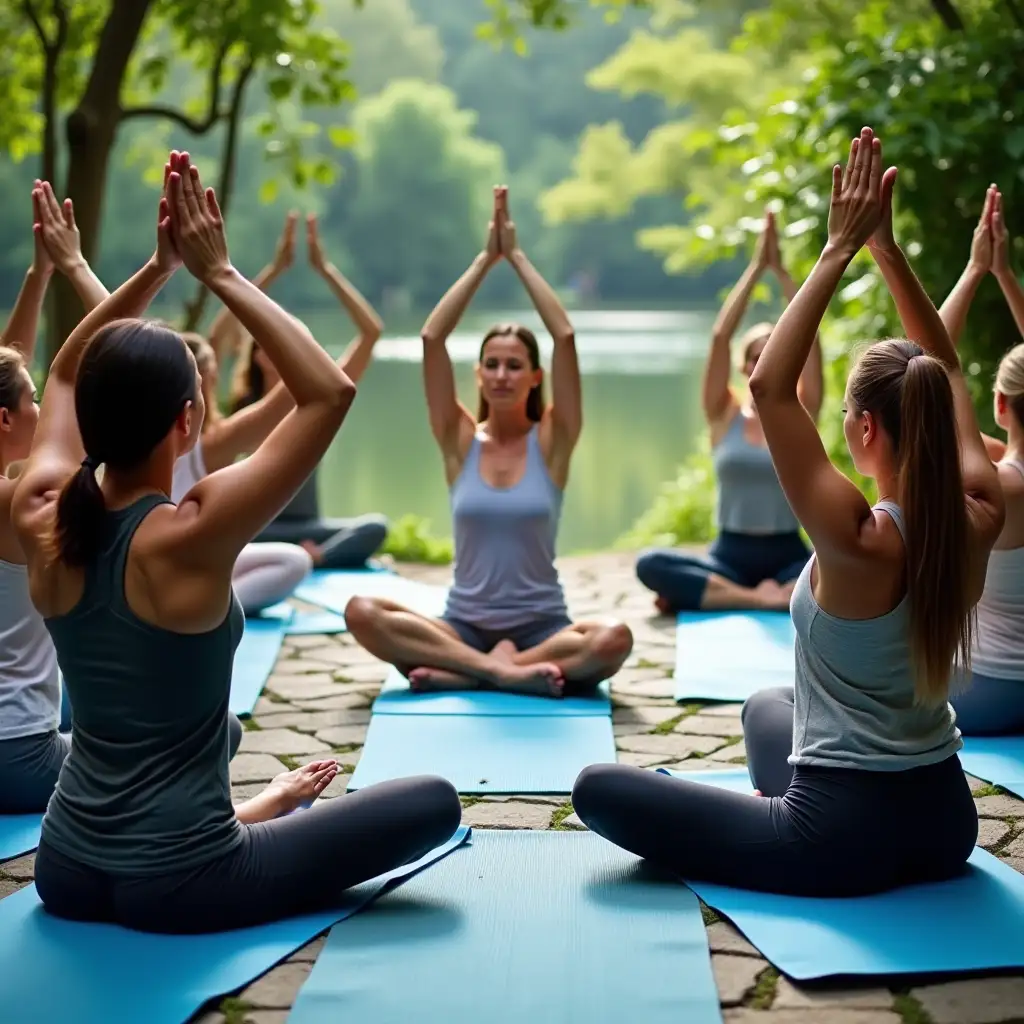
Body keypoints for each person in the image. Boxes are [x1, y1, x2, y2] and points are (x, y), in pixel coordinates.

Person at [12, 151, 460, 934]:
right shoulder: (191, 530)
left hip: (67, 868)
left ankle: (264, 810)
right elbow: (329, 390)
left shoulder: (45, 517)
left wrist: (151, 272)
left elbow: (59, 376)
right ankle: (262, 820)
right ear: (187, 421)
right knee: (432, 803)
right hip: (188, 880)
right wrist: (216, 273)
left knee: (222, 734)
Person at [572, 128, 1005, 897]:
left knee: (597, 789)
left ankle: (767, 820)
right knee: (767, 706)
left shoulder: (856, 536)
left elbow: (770, 388)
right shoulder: (979, 514)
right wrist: (889, 253)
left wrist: (841, 247)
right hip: (946, 822)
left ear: (866, 429)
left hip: (836, 837)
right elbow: (948, 373)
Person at [344, 186, 633, 698]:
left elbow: (565, 337)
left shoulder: (552, 441)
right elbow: (432, 339)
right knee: (361, 612)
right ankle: (498, 671)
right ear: (478, 375)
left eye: (514, 365)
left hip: (544, 630)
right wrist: (483, 261)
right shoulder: (459, 441)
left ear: (533, 377)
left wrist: (517, 258)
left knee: (613, 638)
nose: (502, 374)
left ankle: (474, 671)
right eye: (493, 365)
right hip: (464, 626)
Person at [635, 212, 823, 614]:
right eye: (757, 357)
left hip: (790, 553)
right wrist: (757, 270)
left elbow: (812, 340)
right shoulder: (724, 414)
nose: (766, 365)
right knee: (649, 564)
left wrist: (786, 277)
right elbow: (720, 337)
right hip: (730, 557)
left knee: (843, 566)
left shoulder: (799, 412)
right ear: (744, 367)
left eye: (776, 356)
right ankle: (760, 598)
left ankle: (721, 596)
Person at [0, 182, 117, 813]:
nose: (42, 411)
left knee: (79, 684)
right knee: (213, 732)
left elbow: (5, 369)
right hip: (16, 759)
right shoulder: (19, 499)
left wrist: (38, 277)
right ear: (4, 421)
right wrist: (74, 267)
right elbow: (120, 353)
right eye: (32, 404)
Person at [227, 213, 389, 569]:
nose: (284, 352)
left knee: (375, 527)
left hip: (308, 530)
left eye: (292, 344)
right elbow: (216, 336)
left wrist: (326, 270)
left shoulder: (320, 401)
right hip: (259, 528)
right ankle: (304, 558)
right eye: (272, 344)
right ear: (254, 354)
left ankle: (313, 559)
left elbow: (370, 332)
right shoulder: (244, 408)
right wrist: (272, 271)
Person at [937, 184, 1024, 734]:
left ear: (999, 403)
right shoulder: (995, 472)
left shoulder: (997, 486)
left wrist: (976, 271)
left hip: (995, 693)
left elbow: (933, 362)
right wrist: (1008, 277)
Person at [173, 333, 313, 615]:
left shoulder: (145, 433)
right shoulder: (213, 443)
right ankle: (200, 610)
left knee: (295, 560)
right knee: (295, 563)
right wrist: (296, 335)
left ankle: (202, 602)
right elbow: (294, 391)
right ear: (208, 377)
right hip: (181, 560)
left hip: (192, 557)